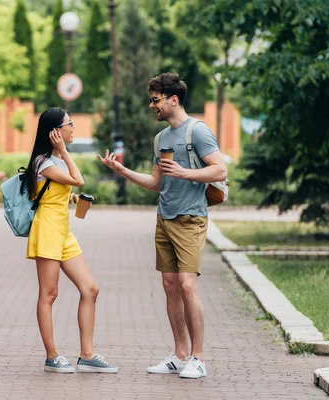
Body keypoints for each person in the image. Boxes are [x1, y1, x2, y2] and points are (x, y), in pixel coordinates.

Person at [98, 73, 227, 379]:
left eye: (155, 100)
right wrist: (122, 170)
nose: (151, 105)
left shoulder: (198, 131)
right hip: (165, 217)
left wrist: (184, 173)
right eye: (151, 100)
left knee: (186, 285)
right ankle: (180, 355)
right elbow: (156, 183)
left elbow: (219, 168)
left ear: (173, 99)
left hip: (191, 218)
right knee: (170, 287)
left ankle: (199, 358)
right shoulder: (161, 138)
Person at [24, 107, 118, 374]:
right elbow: (79, 179)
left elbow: (60, 191)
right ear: (55, 132)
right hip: (47, 231)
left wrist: (74, 200)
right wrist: (64, 151)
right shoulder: (44, 162)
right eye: (70, 124)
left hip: (63, 231)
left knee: (90, 289)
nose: (74, 128)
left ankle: (87, 355)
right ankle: (52, 356)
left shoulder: (56, 161)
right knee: (49, 294)